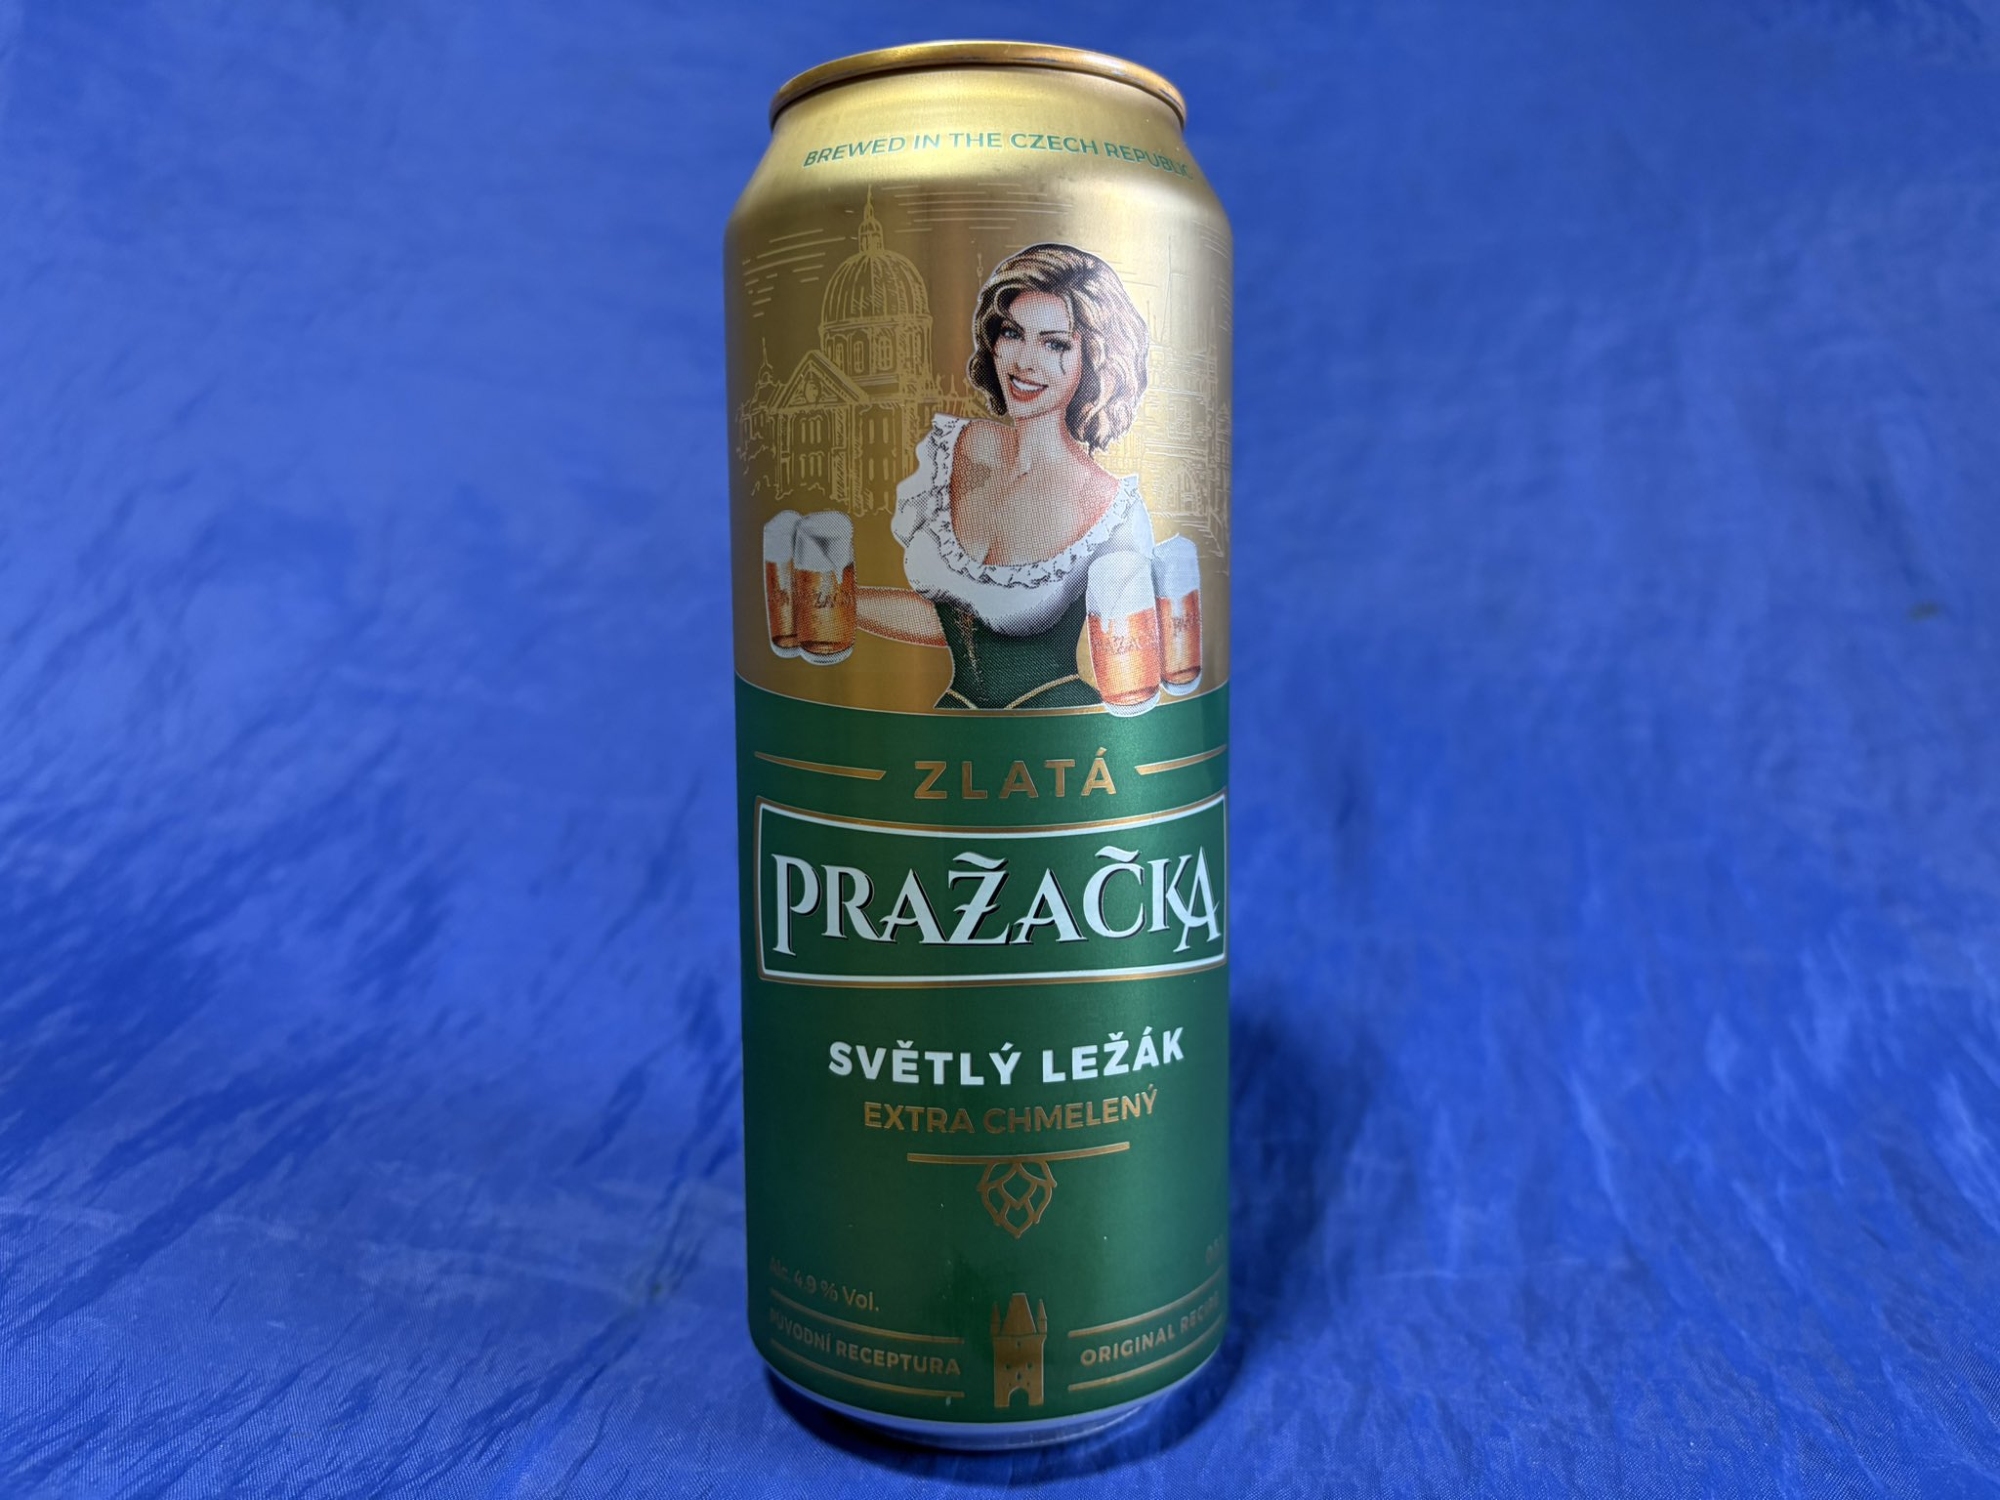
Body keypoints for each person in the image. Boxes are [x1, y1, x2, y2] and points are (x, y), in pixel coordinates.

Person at [853, 243, 1155, 710]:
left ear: (1095, 360)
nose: (1025, 362)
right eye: (1013, 333)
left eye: (1055, 344)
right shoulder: (953, 450)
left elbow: (1131, 659)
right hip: (954, 718)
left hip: (1056, 726)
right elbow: (951, 624)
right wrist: (840, 602)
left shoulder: (1113, 510)